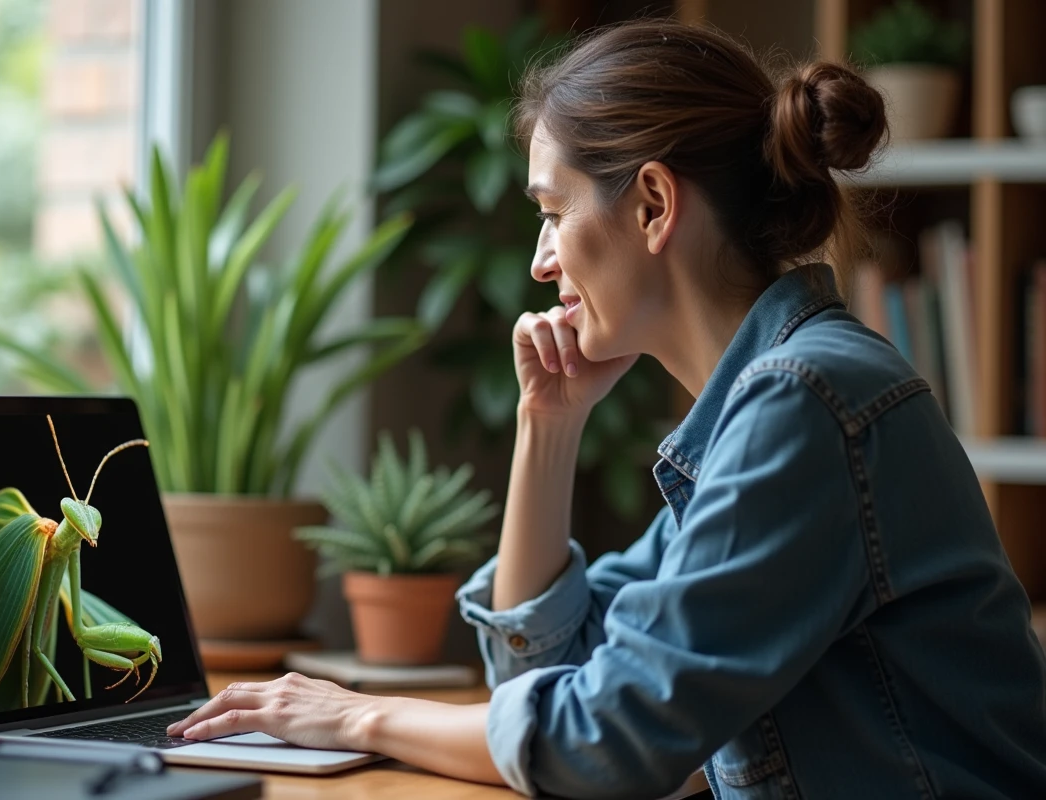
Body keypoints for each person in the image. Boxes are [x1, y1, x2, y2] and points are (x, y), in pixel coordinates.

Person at [166, 18, 1046, 799]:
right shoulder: (764, 405)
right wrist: (547, 428)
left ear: (655, 205)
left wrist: (357, 717)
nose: (543, 261)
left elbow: (604, 744)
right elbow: (550, 675)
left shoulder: (804, 402)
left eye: (553, 211)